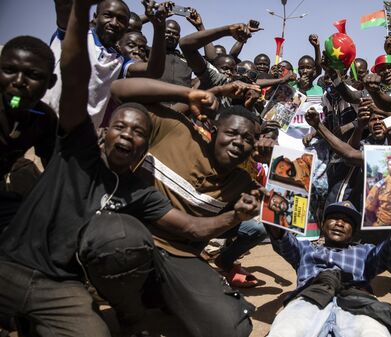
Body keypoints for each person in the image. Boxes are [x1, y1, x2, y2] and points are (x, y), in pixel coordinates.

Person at [0, 2, 260, 336]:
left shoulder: (135, 191)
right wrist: (80, 9)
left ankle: (133, 314)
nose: (128, 135)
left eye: (138, 132)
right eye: (121, 127)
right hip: (9, 266)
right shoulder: (76, 152)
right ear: (103, 132)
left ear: (145, 142)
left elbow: (193, 229)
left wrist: (236, 216)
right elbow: (79, 73)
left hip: (60, 287)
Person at [111, 77, 268, 289]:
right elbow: (119, 90)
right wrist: (190, 93)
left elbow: (286, 214)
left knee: (230, 320)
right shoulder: (175, 130)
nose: (238, 143)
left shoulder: (241, 182)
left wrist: (277, 161)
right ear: (213, 130)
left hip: (180, 258)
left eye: (248, 140)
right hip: (128, 241)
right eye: (230, 133)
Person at [265, 201, 391, 337]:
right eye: (334, 218)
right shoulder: (305, 248)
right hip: (309, 299)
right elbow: (283, 239)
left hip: (358, 304)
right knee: (285, 331)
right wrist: (271, 212)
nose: (339, 223)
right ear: (322, 224)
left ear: (354, 231)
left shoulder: (365, 252)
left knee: (373, 333)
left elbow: (387, 251)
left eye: (347, 221)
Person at [43, 0, 168, 128]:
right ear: (96, 17)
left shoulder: (119, 60)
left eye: (121, 19)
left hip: (78, 138)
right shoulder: (75, 33)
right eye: (108, 15)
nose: (114, 23)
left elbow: (154, 71)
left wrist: (159, 27)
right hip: (44, 125)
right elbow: (64, 5)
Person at [0, 36, 58, 230]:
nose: (18, 82)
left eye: (32, 75)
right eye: (9, 71)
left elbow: (54, 169)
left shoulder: (44, 118)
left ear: (51, 82)